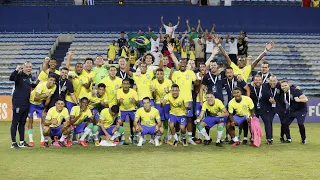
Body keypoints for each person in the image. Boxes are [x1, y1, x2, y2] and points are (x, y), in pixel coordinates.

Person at [9, 61, 37, 149]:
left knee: (22, 123)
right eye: (27, 67)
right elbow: (11, 78)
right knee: (15, 122)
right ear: (23, 67)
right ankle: (13, 143)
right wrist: (16, 70)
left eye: (30, 67)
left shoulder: (29, 77)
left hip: (26, 103)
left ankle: (21, 142)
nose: (29, 68)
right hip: (18, 103)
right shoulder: (19, 75)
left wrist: (38, 84)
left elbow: (30, 86)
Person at [171, 59, 197, 145]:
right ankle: (178, 138)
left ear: (186, 65)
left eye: (184, 63)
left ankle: (189, 138)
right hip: (178, 99)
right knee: (178, 120)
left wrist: (199, 78)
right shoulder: (175, 73)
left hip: (188, 99)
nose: (183, 64)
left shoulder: (191, 73)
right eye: (181, 62)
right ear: (179, 64)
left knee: (189, 119)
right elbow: (173, 85)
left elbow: (195, 83)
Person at [280, 80, 308, 144]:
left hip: (301, 110)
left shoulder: (295, 91)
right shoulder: (282, 93)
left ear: (288, 85)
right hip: (292, 110)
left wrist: (299, 100)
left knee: (300, 123)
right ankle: (288, 138)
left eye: (285, 85)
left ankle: (303, 139)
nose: (284, 87)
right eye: (282, 86)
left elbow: (306, 99)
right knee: (284, 123)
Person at [248, 75, 273, 145]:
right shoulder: (250, 87)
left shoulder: (265, 88)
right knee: (253, 124)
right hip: (254, 109)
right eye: (256, 80)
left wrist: (271, 100)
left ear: (262, 81)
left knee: (267, 123)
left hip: (264, 109)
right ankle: (253, 137)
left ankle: (269, 138)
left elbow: (270, 95)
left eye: (259, 80)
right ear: (253, 81)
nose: (258, 81)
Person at [151, 68, 172, 139]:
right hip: (158, 103)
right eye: (157, 74)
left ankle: (167, 136)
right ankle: (158, 136)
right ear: (156, 75)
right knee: (159, 120)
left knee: (168, 120)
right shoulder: (153, 82)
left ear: (163, 74)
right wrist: (153, 92)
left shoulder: (168, 82)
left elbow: (171, 95)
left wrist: (168, 92)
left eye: (161, 74)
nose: (159, 75)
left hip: (167, 103)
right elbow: (153, 97)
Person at [117, 79, 139, 144]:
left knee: (134, 123)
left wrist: (135, 102)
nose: (125, 85)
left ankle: (133, 137)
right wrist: (119, 102)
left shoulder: (133, 92)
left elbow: (138, 104)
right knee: (120, 123)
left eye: (127, 84)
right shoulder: (118, 91)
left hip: (132, 109)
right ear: (122, 85)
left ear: (129, 85)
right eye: (124, 83)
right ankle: (121, 138)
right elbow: (117, 104)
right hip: (122, 109)